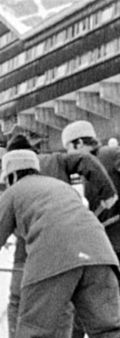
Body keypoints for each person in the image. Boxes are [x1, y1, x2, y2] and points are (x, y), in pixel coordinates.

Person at [0, 149, 120, 337]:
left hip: (54, 259)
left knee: (35, 331)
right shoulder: (62, 187)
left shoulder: (14, 192)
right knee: (108, 330)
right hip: (100, 256)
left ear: (13, 175)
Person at [4, 134, 118, 337]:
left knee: (24, 305)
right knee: (98, 320)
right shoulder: (56, 160)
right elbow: (86, 160)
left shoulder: (20, 175)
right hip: (88, 243)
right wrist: (108, 192)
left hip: (42, 248)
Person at [61, 120, 120, 337]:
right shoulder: (90, 167)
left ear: (78, 143)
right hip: (104, 246)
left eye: (69, 150)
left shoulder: (109, 154)